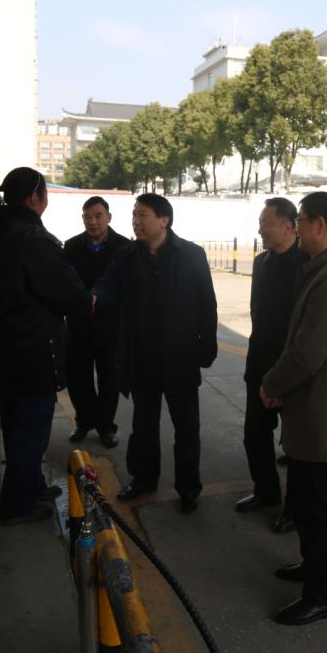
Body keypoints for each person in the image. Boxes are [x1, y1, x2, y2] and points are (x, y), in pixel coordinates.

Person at [260, 192, 327, 626]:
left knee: (318, 507)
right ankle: (312, 567)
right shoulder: (326, 268)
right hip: (313, 408)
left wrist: (271, 384)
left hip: (325, 412)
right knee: (306, 500)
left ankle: (323, 595)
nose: (296, 228)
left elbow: (307, 353)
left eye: (301, 220)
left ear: (319, 225)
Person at [0, 167, 90, 525]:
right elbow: (69, 294)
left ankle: (32, 485)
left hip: (5, 349)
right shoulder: (33, 240)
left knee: (15, 422)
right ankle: (17, 505)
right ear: (36, 198)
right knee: (32, 428)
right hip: (34, 351)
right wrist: (85, 300)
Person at [92, 193, 217, 514]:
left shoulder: (191, 255)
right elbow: (107, 286)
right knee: (143, 425)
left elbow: (206, 303)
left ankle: (188, 487)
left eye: (143, 215)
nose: (136, 221)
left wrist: (207, 346)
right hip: (142, 358)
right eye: (134, 215)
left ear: (164, 220)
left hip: (180, 357)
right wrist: (93, 297)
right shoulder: (126, 256)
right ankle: (143, 478)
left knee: (186, 428)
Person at [236, 198, 308, 533]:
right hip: (260, 366)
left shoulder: (308, 265)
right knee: (255, 434)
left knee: (296, 445)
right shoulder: (261, 262)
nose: (260, 229)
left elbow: (306, 329)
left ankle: (296, 507)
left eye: (265, 223)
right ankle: (266, 491)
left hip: (294, 371)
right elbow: (258, 314)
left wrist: (284, 377)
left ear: (288, 226)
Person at [63, 196, 130, 448]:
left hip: (111, 326)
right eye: (87, 216)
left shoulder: (124, 247)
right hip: (78, 325)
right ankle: (84, 421)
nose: (93, 221)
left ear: (108, 217)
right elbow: (65, 280)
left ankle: (106, 427)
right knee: (78, 378)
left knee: (109, 379)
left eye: (98, 216)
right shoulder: (71, 246)